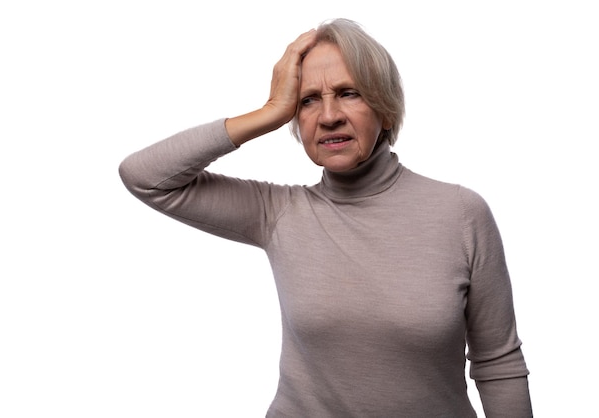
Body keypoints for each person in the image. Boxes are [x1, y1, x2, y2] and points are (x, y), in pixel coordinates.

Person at [119, 18, 532, 417]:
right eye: (308, 100)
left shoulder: (461, 213)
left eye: (349, 92)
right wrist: (268, 112)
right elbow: (145, 177)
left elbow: (497, 363)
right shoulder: (279, 213)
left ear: (385, 111)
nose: (329, 115)